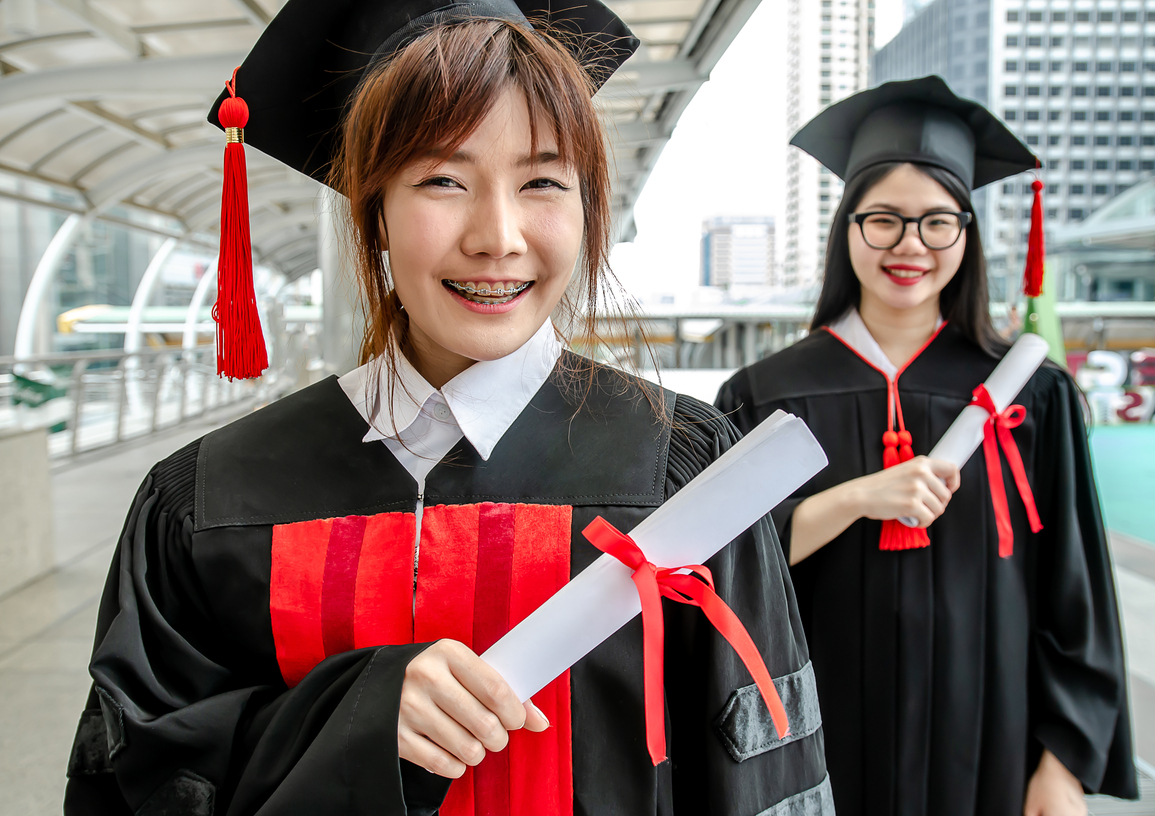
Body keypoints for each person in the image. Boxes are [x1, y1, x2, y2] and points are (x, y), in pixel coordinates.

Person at [62, 1, 831, 814]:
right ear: (374, 212)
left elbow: (766, 771)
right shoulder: (208, 498)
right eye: (442, 180)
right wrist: (357, 713)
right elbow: (134, 771)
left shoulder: (684, 468)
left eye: (542, 180)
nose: (497, 236)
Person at [716, 76, 1136, 816]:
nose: (909, 245)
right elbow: (722, 570)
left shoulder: (1029, 393)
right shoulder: (764, 393)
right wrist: (852, 499)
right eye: (883, 220)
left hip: (989, 748)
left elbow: (1072, 590)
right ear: (847, 228)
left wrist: (1062, 763)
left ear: (965, 235)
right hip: (812, 744)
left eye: (936, 222)